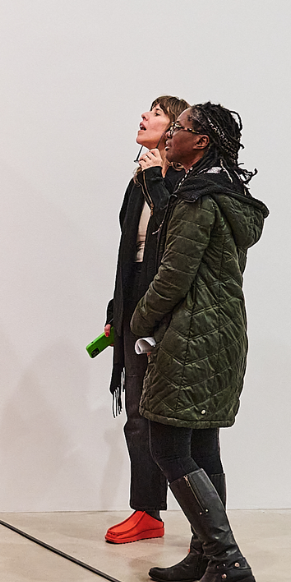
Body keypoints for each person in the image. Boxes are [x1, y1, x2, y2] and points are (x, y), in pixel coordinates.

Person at [129, 102, 268, 582]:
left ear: (201, 142)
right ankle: (203, 555)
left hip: (189, 335)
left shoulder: (195, 199)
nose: (171, 136)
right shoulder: (226, 195)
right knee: (202, 448)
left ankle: (226, 558)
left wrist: (137, 320)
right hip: (222, 332)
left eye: (180, 129)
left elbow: (173, 276)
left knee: (167, 446)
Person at [102, 95, 189, 545]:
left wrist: (156, 176)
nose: (144, 117)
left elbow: (172, 236)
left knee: (174, 418)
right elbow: (127, 253)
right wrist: (116, 312)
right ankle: (147, 512)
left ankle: (202, 519)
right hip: (136, 296)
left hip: (169, 305)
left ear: (176, 129)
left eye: (156, 114)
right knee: (136, 413)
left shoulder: (181, 182)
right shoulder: (139, 180)